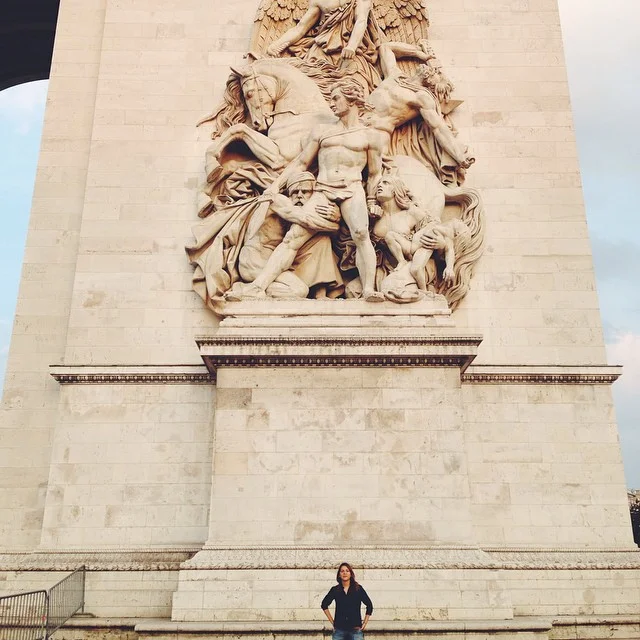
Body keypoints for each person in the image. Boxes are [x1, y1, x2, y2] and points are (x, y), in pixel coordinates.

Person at [228, 78, 386, 302]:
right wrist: (276, 185)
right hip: (324, 189)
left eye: (336, 98)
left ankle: (369, 290)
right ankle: (257, 286)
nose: (331, 103)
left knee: (361, 234)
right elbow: (301, 163)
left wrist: (372, 201)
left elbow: (374, 173)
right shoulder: (322, 131)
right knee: (293, 238)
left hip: (352, 189)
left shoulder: (371, 136)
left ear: (351, 100)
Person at [236, 171, 343, 299]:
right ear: (288, 194)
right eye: (295, 192)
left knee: (322, 239)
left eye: (305, 192)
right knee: (299, 291)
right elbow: (307, 221)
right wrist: (337, 222)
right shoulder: (277, 201)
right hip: (253, 262)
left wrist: (336, 216)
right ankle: (244, 289)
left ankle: (319, 292)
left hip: (273, 262)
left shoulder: (297, 213)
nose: (299, 196)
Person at [321, 563, 373, 640]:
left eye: (347, 571)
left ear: (351, 574)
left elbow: (369, 605)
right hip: (339, 631)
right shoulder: (335, 590)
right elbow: (324, 604)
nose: (344, 573)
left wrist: (365, 623)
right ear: (339, 575)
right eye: (342, 571)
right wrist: (333, 622)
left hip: (355, 631)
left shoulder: (358, 589)